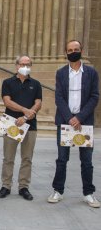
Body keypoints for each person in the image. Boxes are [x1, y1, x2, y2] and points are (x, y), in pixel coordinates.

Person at [47, 40, 100, 208]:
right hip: (65, 121)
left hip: (85, 123)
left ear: (81, 50)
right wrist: (70, 117)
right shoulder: (61, 73)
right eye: (70, 50)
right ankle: (58, 190)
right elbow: (59, 97)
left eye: (76, 49)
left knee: (87, 160)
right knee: (62, 159)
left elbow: (94, 96)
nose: (73, 52)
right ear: (66, 52)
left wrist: (80, 117)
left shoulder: (91, 73)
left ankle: (88, 193)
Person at [0, 55, 42, 201]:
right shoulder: (8, 82)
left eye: (28, 64)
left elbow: (38, 103)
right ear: (16, 66)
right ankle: (6, 186)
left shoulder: (36, 84)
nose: (25, 66)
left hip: (30, 125)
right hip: (11, 124)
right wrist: (25, 110)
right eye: (22, 64)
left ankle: (24, 187)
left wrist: (26, 117)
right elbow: (7, 102)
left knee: (27, 158)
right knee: (8, 158)